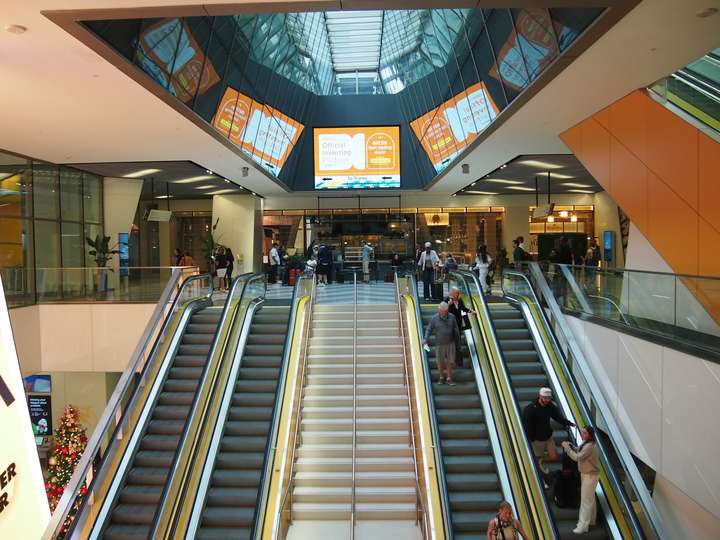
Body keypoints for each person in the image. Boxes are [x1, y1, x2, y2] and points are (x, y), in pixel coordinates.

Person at [523, 387, 575, 474]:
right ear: (540, 396)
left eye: (549, 398)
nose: (547, 400)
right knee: (537, 457)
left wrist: (569, 423)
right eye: (545, 398)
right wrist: (531, 439)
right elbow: (527, 425)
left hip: (548, 437)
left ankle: (541, 459)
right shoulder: (531, 409)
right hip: (537, 440)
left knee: (554, 456)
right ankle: (540, 471)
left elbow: (557, 416)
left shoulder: (550, 406)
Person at [562, 426, 599, 534]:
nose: (582, 434)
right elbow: (579, 449)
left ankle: (583, 525)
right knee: (590, 499)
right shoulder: (586, 443)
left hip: (590, 475)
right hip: (587, 474)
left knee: (585, 501)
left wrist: (567, 448)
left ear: (590, 434)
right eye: (582, 432)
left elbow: (577, 457)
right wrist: (572, 446)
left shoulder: (590, 446)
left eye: (585, 433)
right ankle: (591, 520)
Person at [422, 302, 460, 386]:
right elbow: (429, 329)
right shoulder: (434, 318)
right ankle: (441, 377)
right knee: (440, 361)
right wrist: (425, 339)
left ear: (447, 310)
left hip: (451, 343)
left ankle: (449, 378)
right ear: (439, 310)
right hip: (439, 343)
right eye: (441, 311)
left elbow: (456, 329)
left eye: (444, 311)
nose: (442, 313)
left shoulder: (452, 317)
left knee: (450, 361)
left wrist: (457, 340)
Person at [445, 286, 474, 368]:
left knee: (458, 345)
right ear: (451, 293)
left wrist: (471, 311)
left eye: (458, 293)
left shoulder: (460, 300)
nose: (457, 294)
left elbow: (463, 309)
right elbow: (442, 311)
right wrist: (448, 305)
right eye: (456, 293)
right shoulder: (447, 300)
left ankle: (459, 363)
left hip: (458, 325)